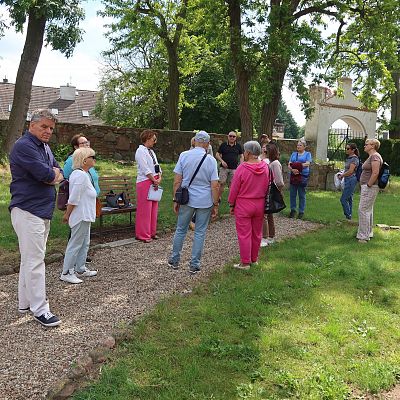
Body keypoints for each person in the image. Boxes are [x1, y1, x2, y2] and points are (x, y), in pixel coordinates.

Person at [9, 109, 64, 327]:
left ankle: (25, 302)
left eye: (51, 128)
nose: (48, 131)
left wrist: (54, 175)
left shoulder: (45, 147)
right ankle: (41, 309)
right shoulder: (24, 146)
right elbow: (48, 175)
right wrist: (53, 175)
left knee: (29, 259)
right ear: (32, 125)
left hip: (41, 210)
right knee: (35, 260)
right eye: (44, 127)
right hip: (28, 209)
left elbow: (59, 171)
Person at [168, 131, 219, 274]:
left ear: (194, 141)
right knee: (200, 232)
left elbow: (177, 181)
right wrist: (215, 204)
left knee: (181, 229)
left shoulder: (184, 156)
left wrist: (175, 199)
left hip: (186, 198)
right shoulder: (211, 160)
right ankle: (194, 264)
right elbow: (214, 185)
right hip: (205, 200)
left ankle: (175, 259)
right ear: (208, 144)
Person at [228, 141, 270, 270]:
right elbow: (267, 185)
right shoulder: (265, 167)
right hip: (259, 204)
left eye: (245, 151)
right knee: (257, 233)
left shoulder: (242, 168)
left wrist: (231, 203)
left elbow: (234, 188)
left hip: (244, 204)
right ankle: (254, 259)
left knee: (244, 234)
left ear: (248, 153)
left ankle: (245, 263)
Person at [60, 148, 98, 284]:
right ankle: (66, 272)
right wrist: (67, 214)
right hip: (80, 215)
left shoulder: (83, 174)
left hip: (85, 215)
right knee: (75, 244)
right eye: (92, 156)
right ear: (84, 160)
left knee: (84, 243)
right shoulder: (80, 175)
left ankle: (80, 268)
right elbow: (74, 198)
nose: (94, 159)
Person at [135, 129, 162, 242]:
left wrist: (159, 176)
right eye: (153, 139)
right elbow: (145, 168)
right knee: (145, 210)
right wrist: (153, 179)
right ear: (147, 139)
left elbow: (156, 165)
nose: (155, 141)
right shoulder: (140, 151)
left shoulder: (151, 151)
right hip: (145, 181)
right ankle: (143, 234)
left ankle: (152, 232)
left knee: (153, 208)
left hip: (154, 180)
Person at [357, 138, 382, 243]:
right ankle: (368, 232)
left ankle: (363, 237)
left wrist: (368, 185)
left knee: (363, 210)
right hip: (368, 186)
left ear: (373, 146)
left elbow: (375, 172)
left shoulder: (375, 156)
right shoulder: (372, 156)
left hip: (370, 187)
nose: (364, 146)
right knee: (368, 210)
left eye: (366, 144)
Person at [261, 142, 284, 247]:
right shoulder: (272, 162)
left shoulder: (274, 163)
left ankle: (265, 238)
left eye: (266, 151)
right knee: (269, 215)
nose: (264, 152)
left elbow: (279, 182)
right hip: (269, 190)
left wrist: (276, 191)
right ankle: (271, 236)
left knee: (265, 215)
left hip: (270, 191)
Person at [215, 131, 243, 201]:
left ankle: (231, 199)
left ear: (236, 138)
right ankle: (218, 198)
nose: (232, 138)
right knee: (221, 183)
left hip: (234, 168)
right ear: (228, 136)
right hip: (224, 168)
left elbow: (241, 156)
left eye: (233, 136)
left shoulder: (238, 146)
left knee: (232, 185)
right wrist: (222, 161)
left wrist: (240, 165)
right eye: (230, 136)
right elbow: (217, 154)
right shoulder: (223, 145)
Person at [288, 139, 312, 219]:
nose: (298, 146)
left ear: (304, 147)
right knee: (292, 194)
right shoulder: (294, 154)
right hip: (293, 176)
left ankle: (301, 212)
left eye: (300, 145)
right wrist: (293, 169)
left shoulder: (308, 154)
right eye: (298, 145)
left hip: (302, 176)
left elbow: (308, 163)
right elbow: (289, 164)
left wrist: (298, 166)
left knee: (302, 194)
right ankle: (293, 210)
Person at [338, 143, 360, 220]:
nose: (346, 150)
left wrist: (342, 175)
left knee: (343, 199)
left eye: (348, 149)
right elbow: (347, 170)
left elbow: (351, 171)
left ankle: (348, 215)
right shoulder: (349, 158)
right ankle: (349, 217)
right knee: (349, 198)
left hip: (351, 179)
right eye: (346, 148)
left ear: (353, 150)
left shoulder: (354, 159)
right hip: (347, 179)